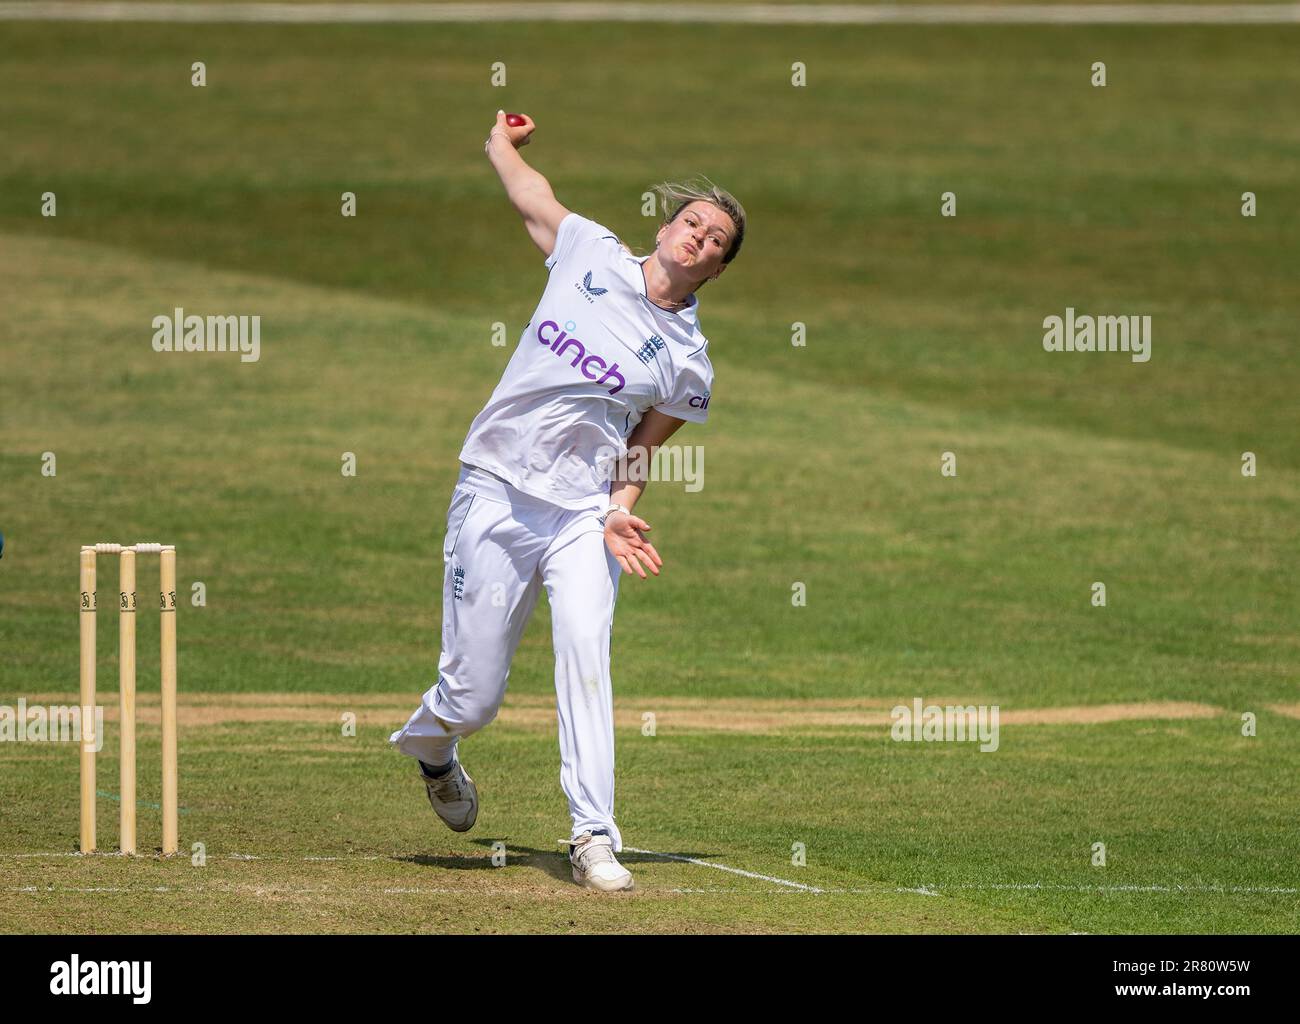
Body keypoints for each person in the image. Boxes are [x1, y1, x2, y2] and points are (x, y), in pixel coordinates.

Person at [390, 110, 746, 892]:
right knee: (472, 693)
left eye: (716, 240)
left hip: (584, 513)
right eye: (692, 222)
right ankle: (433, 746)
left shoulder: (689, 365)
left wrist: (618, 508)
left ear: (718, 271)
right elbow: (531, 197)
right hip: (495, 487)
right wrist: (498, 145)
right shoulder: (589, 250)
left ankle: (593, 836)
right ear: (663, 228)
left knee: (586, 650)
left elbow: (640, 449)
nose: (699, 238)